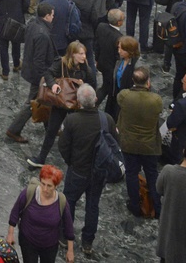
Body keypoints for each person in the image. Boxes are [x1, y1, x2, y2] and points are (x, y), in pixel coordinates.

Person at [56, 84, 114, 256]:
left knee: (69, 203)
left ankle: (66, 237)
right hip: (99, 171)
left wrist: (71, 162)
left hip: (78, 170)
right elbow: (114, 144)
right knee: (93, 205)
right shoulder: (107, 119)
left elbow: (63, 146)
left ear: (78, 102)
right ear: (95, 99)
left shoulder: (71, 120)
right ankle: (88, 242)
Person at [27, 41, 87, 170]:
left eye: (84, 53)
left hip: (75, 103)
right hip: (61, 102)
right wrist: (53, 84)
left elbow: (92, 82)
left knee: (76, 132)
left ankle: (76, 160)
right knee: (51, 131)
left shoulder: (84, 66)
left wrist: (84, 85)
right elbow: (48, 74)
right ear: (73, 54)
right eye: (81, 54)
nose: (84, 57)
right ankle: (41, 158)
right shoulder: (61, 63)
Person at [5, 3, 57, 146]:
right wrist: (47, 79)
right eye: (52, 15)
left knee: (43, 100)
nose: (53, 17)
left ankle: (50, 126)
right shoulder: (43, 34)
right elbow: (39, 61)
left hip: (30, 69)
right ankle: (14, 130)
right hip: (37, 74)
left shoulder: (33, 23)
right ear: (46, 16)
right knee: (33, 102)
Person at [117, 66, 163, 218]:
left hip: (129, 144)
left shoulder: (124, 96)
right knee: (152, 174)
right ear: (148, 81)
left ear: (133, 81)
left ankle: (135, 205)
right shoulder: (156, 100)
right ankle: (157, 207)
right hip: (149, 145)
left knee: (131, 174)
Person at [6, 165, 74, 263]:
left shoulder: (61, 201)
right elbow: (15, 212)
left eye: (49, 186)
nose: (45, 189)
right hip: (28, 240)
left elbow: (68, 226)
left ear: (56, 186)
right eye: (43, 184)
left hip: (50, 245)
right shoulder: (29, 193)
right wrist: (10, 234)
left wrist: (70, 251)